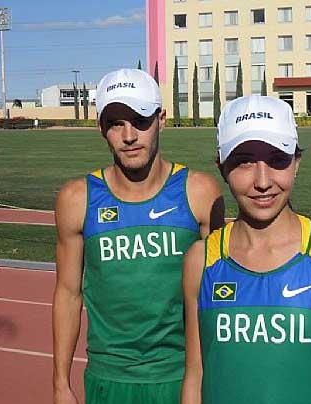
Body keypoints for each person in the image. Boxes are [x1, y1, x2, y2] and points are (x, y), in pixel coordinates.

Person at [182, 95, 311, 404]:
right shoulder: (201, 260)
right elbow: (195, 377)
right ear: (221, 166)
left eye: (277, 159)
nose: (262, 181)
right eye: (244, 160)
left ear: (297, 162)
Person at [53, 68, 225, 404]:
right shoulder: (77, 199)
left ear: (161, 119)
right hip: (108, 378)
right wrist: (61, 383)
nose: (129, 135)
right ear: (102, 128)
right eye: (116, 123)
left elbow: (220, 295)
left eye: (140, 120)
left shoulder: (200, 193)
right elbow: (68, 294)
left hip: (181, 377)